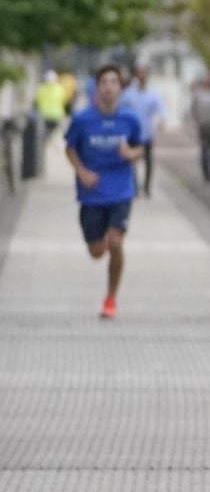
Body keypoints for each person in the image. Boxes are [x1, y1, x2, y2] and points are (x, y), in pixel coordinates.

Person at [65, 65, 145, 319]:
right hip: (92, 194)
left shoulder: (129, 119)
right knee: (97, 251)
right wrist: (82, 172)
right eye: (104, 82)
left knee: (116, 242)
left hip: (121, 191)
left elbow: (140, 148)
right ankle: (103, 242)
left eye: (114, 82)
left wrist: (130, 154)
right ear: (98, 88)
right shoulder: (82, 119)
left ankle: (110, 299)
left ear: (120, 88)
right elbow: (70, 148)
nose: (109, 86)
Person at [119, 66, 166, 198]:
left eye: (144, 74)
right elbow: (120, 108)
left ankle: (146, 187)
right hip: (132, 134)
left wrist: (162, 120)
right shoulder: (129, 93)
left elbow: (161, 108)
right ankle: (135, 188)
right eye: (139, 74)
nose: (142, 77)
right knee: (133, 160)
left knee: (149, 162)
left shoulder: (153, 94)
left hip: (147, 133)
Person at [35, 71, 67, 141]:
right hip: (56, 115)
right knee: (55, 135)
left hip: (44, 115)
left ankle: (47, 147)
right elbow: (64, 101)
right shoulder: (60, 88)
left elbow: (37, 101)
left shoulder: (41, 89)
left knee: (45, 136)